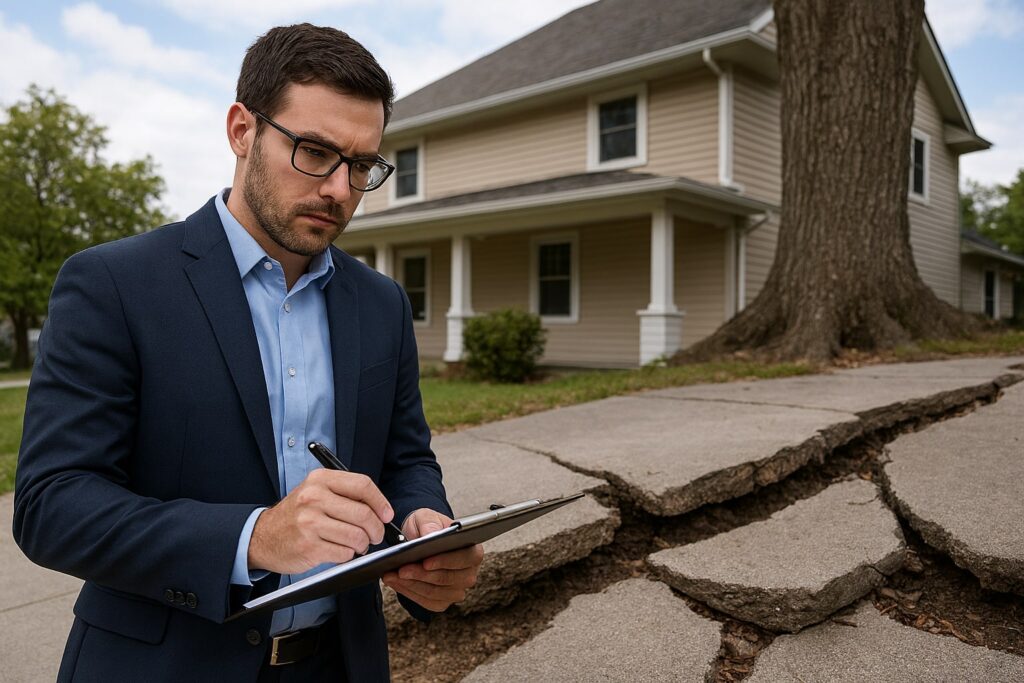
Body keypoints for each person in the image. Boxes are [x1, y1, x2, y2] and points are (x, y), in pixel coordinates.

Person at [13, 23, 482, 682]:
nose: (341, 190)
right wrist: (255, 536)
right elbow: (52, 505)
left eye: (361, 165)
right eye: (315, 151)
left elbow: (405, 460)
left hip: (339, 663)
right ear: (242, 130)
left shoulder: (380, 303)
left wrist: (424, 528)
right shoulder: (114, 284)